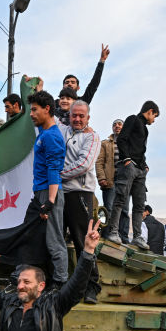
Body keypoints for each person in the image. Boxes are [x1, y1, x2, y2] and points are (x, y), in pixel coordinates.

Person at [60, 100, 102, 302]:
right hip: (59, 193)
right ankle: (58, 282)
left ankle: (91, 286)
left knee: (82, 240)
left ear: (88, 118)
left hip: (80, 193)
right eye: (74, 115)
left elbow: (84, 165)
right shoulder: (61, 130)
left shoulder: (92, 137)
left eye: (81, 116)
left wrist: (56, 175)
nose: (77, 119)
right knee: (56, 238)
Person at [25, 90, 68, 286]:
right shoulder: (43, 132)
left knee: (54, 240)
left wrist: (50, 201)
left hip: (49, 193)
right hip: (40, 192)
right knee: (34, 238)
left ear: (47, 109)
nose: (31, 114)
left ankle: (60, 283)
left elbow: (54, 169)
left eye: (34, 110)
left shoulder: (52, 136)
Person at [105, 101, 160, 250]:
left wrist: (145, 165)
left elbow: (140, 149)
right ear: (149, 111)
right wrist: (127, 159)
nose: (153, 120)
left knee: (139, 204)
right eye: (154, 116)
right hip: (129, 167)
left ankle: (137, 237)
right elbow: (122, 139)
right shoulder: (132, 119)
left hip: (141, 169)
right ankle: (113, 232)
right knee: (120, 199)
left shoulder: (145, 130)